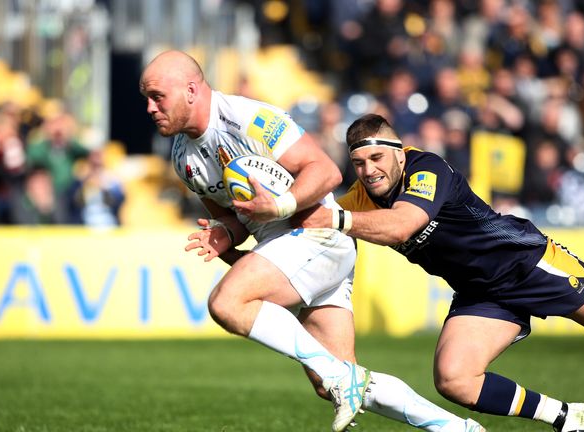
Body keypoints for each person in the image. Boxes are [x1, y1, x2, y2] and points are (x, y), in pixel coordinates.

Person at [139, 50, 485, 432]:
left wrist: (281, 206)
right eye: (147, 99)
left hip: (316, 236)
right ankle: (457, 429)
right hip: (287, 250)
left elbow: (324, 170)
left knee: (227, 302)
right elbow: (235, 215)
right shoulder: (183, 159)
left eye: (158, 96)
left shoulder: (248, 118)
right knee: (331, 380)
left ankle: (341, 378)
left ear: (191, 89)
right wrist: (224, 235)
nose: (151, 108)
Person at [294, 113, 584, 431]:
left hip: (528, 263)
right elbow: (314, 219)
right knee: (454, 379)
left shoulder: (428, 169)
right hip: (479, 291)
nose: (368, 170)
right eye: (359, 162)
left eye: (377, 158)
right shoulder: (359, 198)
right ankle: (567, 417)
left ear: (400, 152)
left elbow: (402, 225)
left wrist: (335, 220)